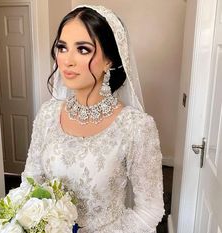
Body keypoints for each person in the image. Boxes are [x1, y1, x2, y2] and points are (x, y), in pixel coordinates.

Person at [22, 5, 165, 233]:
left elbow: (150, 209)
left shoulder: (136, 126)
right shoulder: (47, 115)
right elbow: (31, 181)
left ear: (109, 60)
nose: (67, 60)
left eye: (83, 49)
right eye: (62, 47)